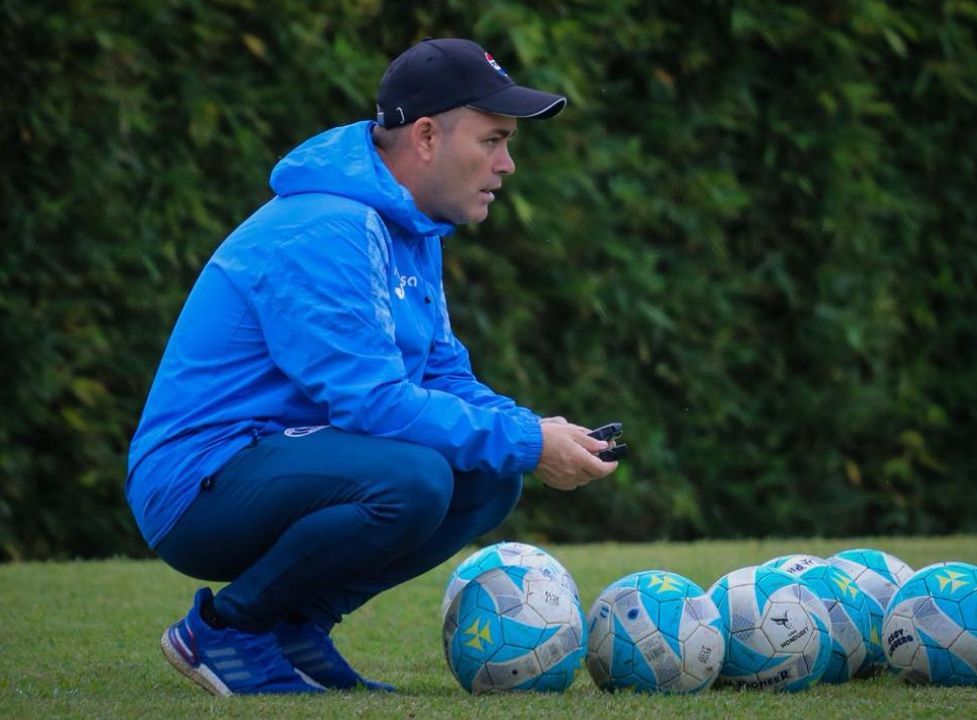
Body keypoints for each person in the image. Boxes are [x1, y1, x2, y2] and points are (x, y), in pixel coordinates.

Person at [126, 37, 618, 696]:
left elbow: (444, 380)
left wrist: (536, 432)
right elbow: (374, 403)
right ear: (424, 137)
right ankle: (227, 630)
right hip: (196, 484)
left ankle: (294, 630)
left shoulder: (409, 230)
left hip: (276, 462)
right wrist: (529, 441)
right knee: (414, 478)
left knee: (489, 478)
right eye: (493, 140)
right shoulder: (330, 228)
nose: (507, 164)